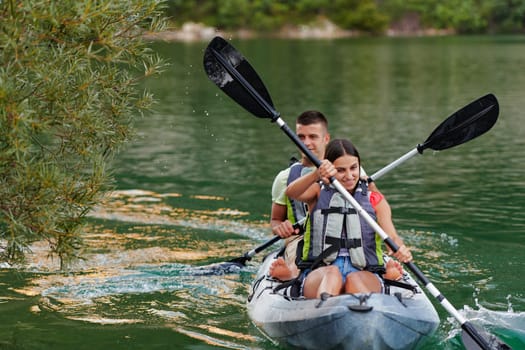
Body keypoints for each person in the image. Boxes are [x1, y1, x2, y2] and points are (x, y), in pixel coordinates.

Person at [268, 111, 392, 282]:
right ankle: (292, 274)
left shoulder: (352, 171)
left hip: (347, 236)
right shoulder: (284, 178)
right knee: (299, 251)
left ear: (326, 139)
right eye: (300, 137)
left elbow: (375, 204)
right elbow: (275, 219)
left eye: (313, 136)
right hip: (300, 236)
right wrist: (280, 227)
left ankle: (381, 272)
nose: (306, 143)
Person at [285, 139, 412, 298]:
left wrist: (400, 248)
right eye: (341, 170)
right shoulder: (318, 193)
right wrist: (316, 173)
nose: (349, 176)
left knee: (355, 279)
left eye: (353, 168)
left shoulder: (375, 200)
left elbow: (392, 236)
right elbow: (291, 192)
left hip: (363, 271)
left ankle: (365, 310)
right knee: (332, 274)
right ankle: (325, 307)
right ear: (330, 170)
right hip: (322, 270)